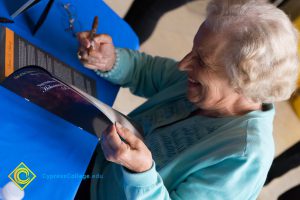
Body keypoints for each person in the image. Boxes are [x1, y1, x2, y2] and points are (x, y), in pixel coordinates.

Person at [77, 0, 299, 199]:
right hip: (88, 162)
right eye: (193, 50)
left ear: (243, 82)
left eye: (201, 61)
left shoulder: (244, 157)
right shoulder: (201, 83)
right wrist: (111, 60)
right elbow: (147, 71)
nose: (184, 65)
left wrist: (141, 173)